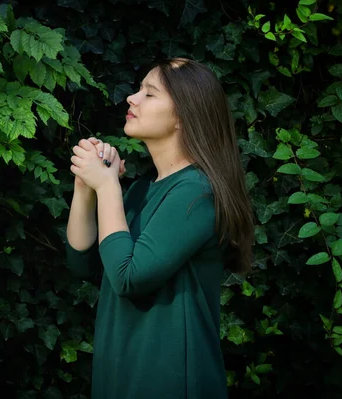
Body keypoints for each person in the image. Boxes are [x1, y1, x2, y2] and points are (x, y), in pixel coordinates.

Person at [65, 58, 255, 399]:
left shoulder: (198, 192)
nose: (132, 99)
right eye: (138, 90)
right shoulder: (140, 191)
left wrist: (108, 187)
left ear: (183, 116)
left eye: (149, 94)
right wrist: (86, 187)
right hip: (121, 373)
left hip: (169, 380)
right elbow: (84, 264)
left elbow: (128, 277)